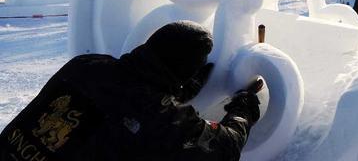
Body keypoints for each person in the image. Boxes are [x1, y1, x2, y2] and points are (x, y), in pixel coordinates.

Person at [0, 21, 261, 161]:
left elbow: (119, 97)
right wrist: (243, 110)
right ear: (186, 70)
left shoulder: (86, 64)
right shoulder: (163, 121)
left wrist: (179, 89)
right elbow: (224, 148)